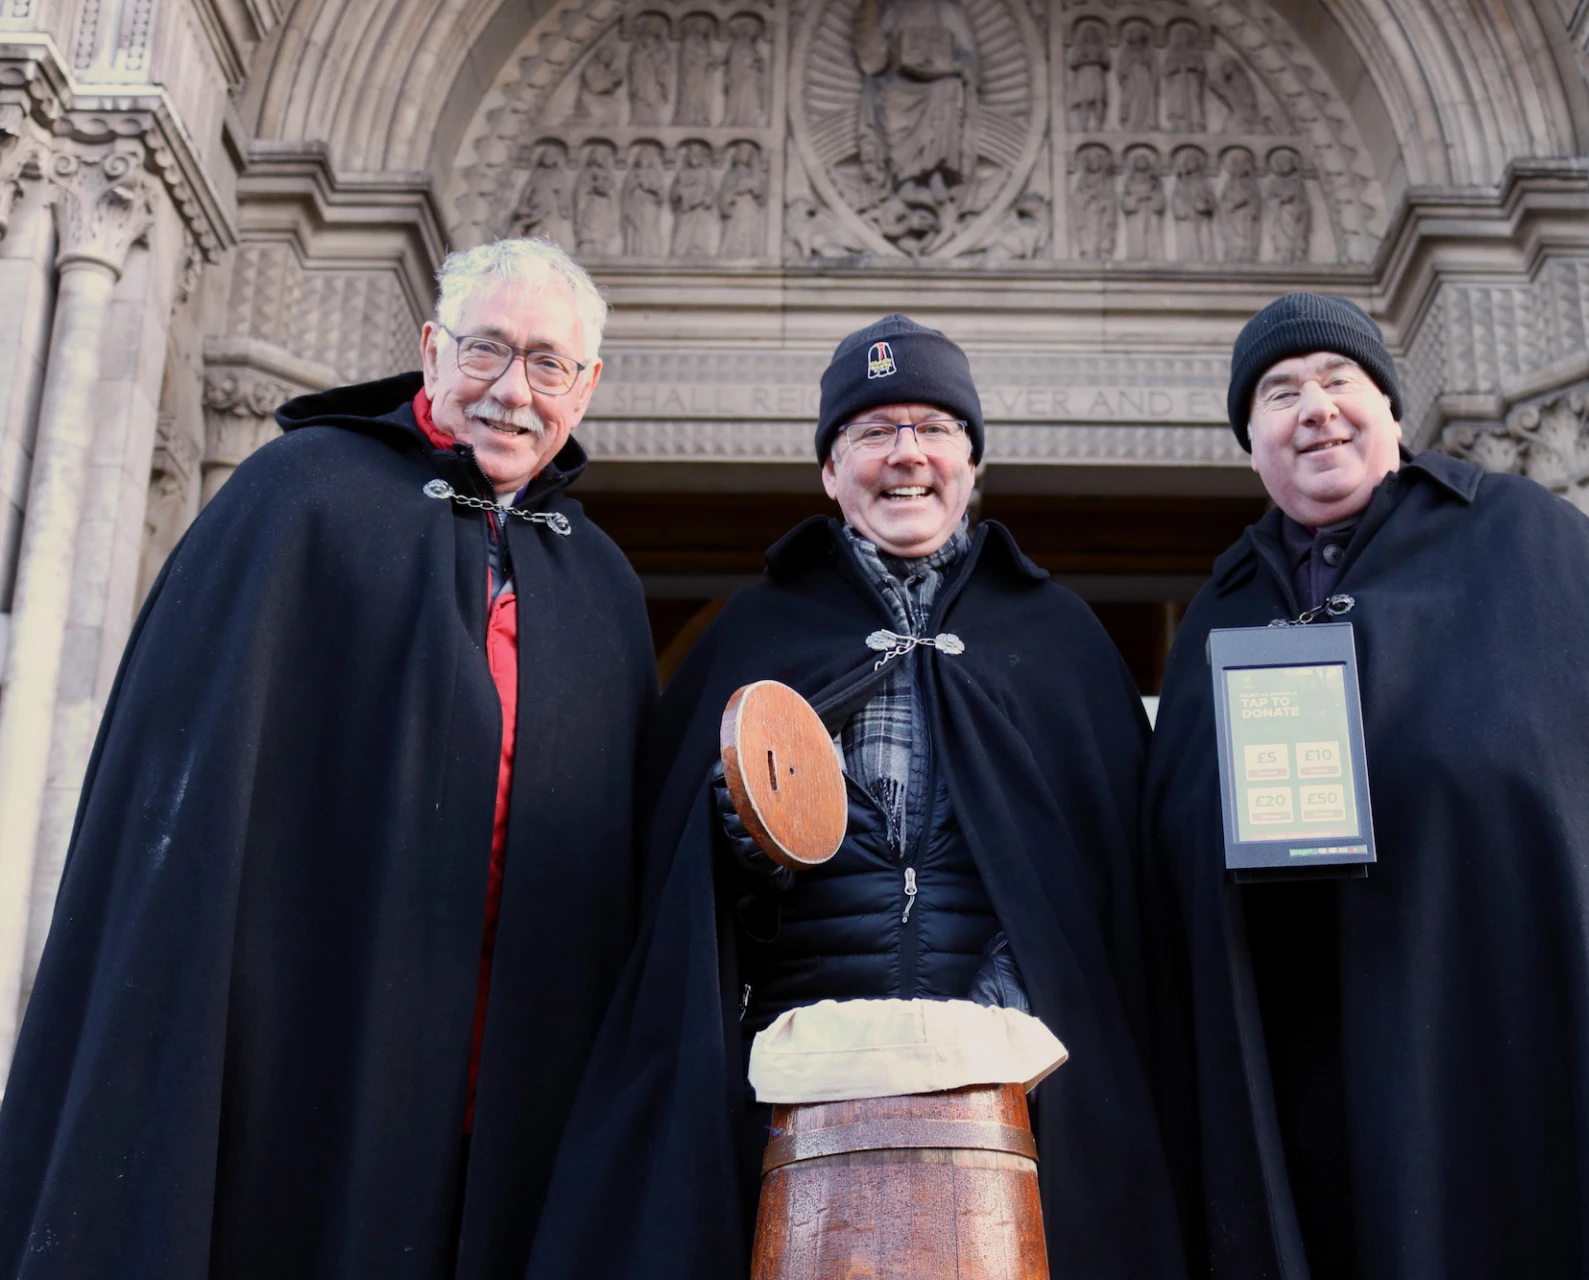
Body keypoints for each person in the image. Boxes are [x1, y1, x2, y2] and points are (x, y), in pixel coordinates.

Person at [0, 238, 658, 1280]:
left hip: (513, 1086)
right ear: (433, 351)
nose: (513, 391)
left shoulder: (604, 586)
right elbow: (182, 796)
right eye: (487, 350)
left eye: (547, 364)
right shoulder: (297, 498)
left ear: (587, 386)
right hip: (308, 1047)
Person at [1145, 293, 1589, 1279]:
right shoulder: (1220, 611)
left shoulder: (1524, 540)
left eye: (1339, 381)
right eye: (1280, 394)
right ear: (1253, 445)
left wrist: (1425, 789)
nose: (1314, 409)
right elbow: (1173, 836)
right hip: (1312, 1047)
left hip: (1503, 1018)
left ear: (1391, 410)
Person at [525, 314, 1187, 1280]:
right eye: (873, 433)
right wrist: (739, 841)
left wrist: (992, 1014)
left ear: (973, 462)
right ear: (831, 471)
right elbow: (672, 903)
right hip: (796, 1085)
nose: (905, 455)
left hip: (1015, 1086)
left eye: (933, 429)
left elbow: (1103, 892)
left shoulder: (1060, 643)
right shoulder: (755, 634)